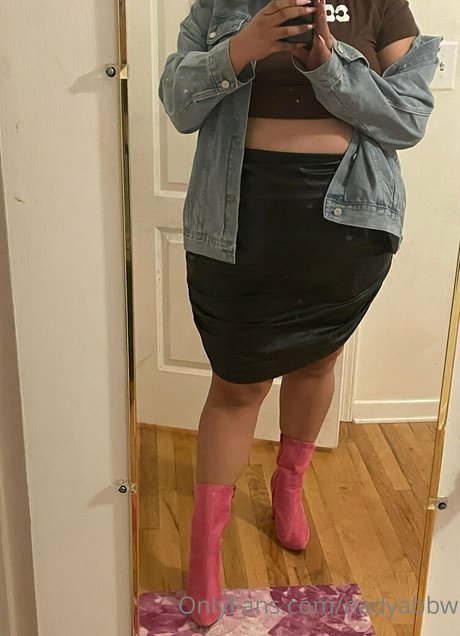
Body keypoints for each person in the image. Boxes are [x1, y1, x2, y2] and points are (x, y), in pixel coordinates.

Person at [158, 0, 441, 627]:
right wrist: (244, 45)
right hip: (237, 223)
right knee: (237, 384)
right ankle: (205, 546)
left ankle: (289, 489)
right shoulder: (220, 6)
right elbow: (179, 104)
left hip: (346, 227)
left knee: (316, 365)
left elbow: (408, 118)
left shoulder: (380, 5)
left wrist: (327, 64)